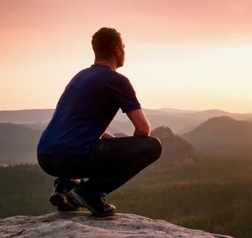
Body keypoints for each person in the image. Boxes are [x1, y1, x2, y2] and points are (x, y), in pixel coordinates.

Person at [36, 27, 162, 217]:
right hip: (73, 157)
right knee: (152, 146)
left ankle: (64, 187)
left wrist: (108, 144)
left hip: (46, 157)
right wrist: (126, 151)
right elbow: (143, 129)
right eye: (124, 47)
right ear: (117, 51)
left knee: (91, 146)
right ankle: (91, 193)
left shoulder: (80, 76)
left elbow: (74, 124)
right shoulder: (117, 80)